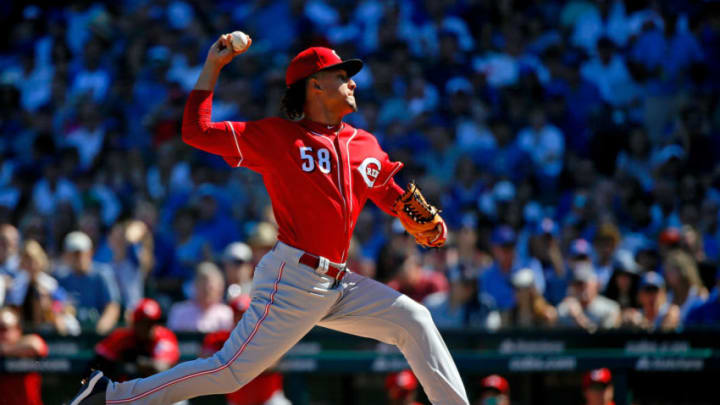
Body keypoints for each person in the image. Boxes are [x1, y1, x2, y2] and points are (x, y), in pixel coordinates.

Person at [70, 34, 467, 405]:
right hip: (294, 279)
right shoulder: (278, 138)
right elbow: (196, 131)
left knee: (414, 319)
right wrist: (213, 66)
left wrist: (421, 221)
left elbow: (389, 193)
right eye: (342, 76)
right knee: (229, 372)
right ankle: (110, 396)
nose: (354, 84)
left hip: (340, 282)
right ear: (315, 85)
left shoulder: (364, 143)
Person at [202, 294, 291, 405]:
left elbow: (271, 364)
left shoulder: (267, 336)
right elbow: (206, 363)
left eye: (245, 315)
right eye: (238, 315)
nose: (242, 319)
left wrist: (232, 360)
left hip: (268, 399)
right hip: (237, 401)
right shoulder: (220, 338)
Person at [91, 298, 180, 382]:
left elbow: (162, 368)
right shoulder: (123, 337)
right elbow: (99, 356)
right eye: (144, 322)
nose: (149, 327)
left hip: (164, 393)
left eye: (152, 322)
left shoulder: (164, 336)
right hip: (131, 393)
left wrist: (138, 362)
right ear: (135, 322)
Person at [55, 230, 121, 334]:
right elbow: (56, 306)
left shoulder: (102, 275)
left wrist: (99, 331)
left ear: (90, 252)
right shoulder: (61, 278)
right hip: (71, 334)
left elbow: (112, 307)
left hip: (96, 333)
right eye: (74, 254)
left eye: (80, 253)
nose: (78, 258)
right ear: (67, 255)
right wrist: (61, 327)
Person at [0, 306, 49, 405]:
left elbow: (36, 345)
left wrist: (5, 349)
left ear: (17, 329)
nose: (1, 334)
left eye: (4, 328)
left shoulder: (26, 344)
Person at [167, 261, 234, 333]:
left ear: (220, 288)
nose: (206, 290)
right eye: (202, 284)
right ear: (195, 285)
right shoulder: (178, 311)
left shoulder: (227, 314)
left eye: (210, 288)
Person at [556, 264, 620, 332]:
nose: (583, 288)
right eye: (578, 284)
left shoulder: (610, 308)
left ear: (596, 285)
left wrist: (578, 317)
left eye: (586, 284)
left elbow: (603, 338)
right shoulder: (564, 309)